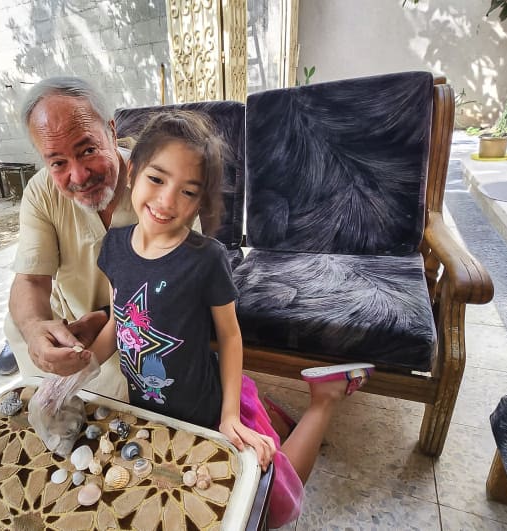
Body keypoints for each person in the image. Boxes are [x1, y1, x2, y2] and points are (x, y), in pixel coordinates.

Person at [83, 110, 374, 528]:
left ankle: (325, 398)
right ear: (133, 172)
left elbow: (230, 336)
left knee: (268, 499)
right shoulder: (113, 247)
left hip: (208, 410)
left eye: (188, 192)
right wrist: (79, 369)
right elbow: (118, 322)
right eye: (157, 179)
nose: (167, 201)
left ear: (202, 201)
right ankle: (280, 414)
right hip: (152, 411)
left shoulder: (206, 259)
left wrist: (230, 417)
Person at [0, 76, 138, 399]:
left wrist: (104, 319)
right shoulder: (41, 191)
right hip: (73, 323)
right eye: (58, 162)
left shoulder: (158, 181)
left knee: (124, 385)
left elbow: (178, 285)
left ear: (112, 131)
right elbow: (31, 280)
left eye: (88, 150)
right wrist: (35, 330)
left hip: (141, 322)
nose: (78, 175)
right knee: (18, 324)